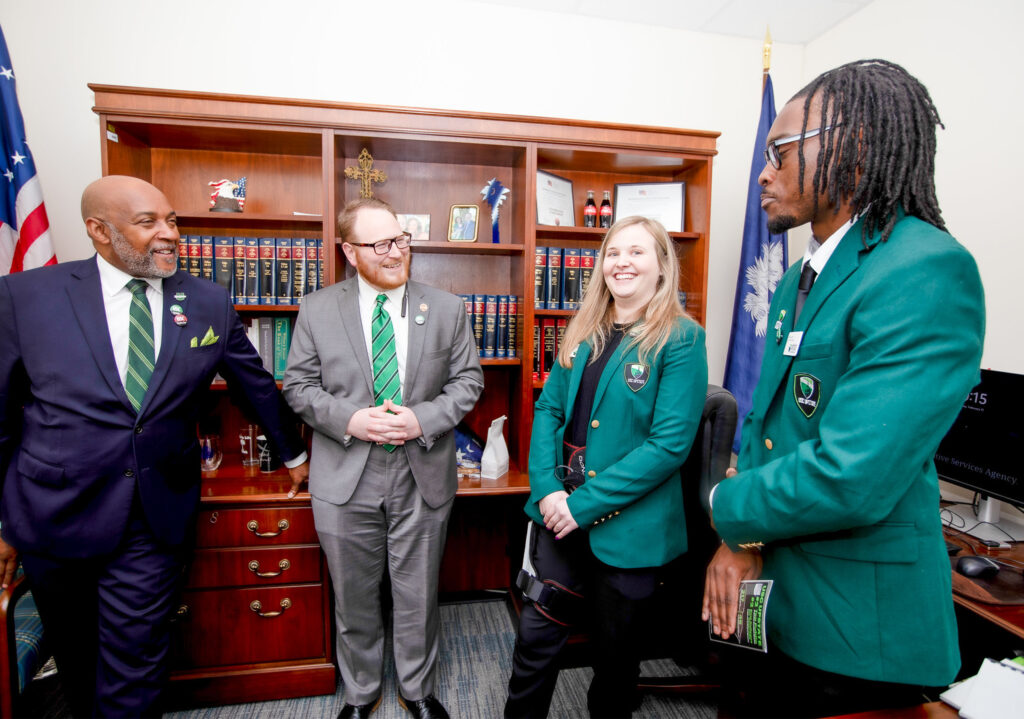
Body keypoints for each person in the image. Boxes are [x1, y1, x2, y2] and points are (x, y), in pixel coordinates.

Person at [702, 59, 985, 717]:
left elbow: (850, 474)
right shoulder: (800, 276)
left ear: (853, 149)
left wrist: (726, 507)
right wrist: (739, 541)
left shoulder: (923, 268)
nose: (763, 174)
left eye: (779, 151)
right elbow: (771, 434)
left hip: (854, 635)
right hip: (773, 598)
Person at [0, 175, 309, 718]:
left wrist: (295, 455)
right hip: (52, 515)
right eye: (149, 223)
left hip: (153, 515)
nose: (169, 234)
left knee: (137, 664)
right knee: (77, 661)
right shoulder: (25, 297)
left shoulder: (207, 301)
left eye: (172, 221)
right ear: (99, 231)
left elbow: (254, 383)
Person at [282, 197, 483, 719]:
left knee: (418, 594)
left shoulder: (445, 308)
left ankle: (416, 690)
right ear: (349, 251)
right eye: (381, 244)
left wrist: (423, 419)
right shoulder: (317, 309)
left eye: (401, 240)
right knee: (354, 596)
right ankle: (361, 691)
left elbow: (468, 383)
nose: (396, 252)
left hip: (423, 470)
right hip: (346, 474)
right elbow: (297, 387)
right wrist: (350, 419)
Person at [505, 216, 708, 719]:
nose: (622, 263)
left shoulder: (681, 339)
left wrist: (582, 505)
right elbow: (549, 410)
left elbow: (669, 446)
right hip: (559, 516)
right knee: (534, 638)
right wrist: (549, 488)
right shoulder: (585, 328)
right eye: (613, 253)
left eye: (637, 252)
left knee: (616, 662)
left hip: (629, 528)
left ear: (662, 266)